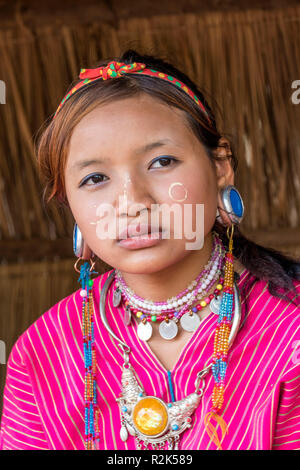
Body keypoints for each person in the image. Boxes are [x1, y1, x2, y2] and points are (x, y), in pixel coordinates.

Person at [0, 49, 299, 451]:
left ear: (221, 165)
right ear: (67, 199)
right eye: (95, 178)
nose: (132, 201)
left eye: (161, 161)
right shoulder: (43, 353)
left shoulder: (288, 334)